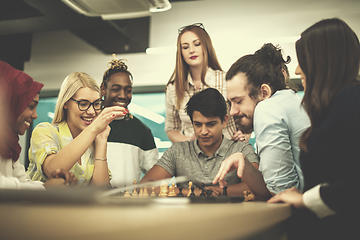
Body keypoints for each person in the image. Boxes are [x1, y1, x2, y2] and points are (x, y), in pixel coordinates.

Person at [267, 18, 360, 239]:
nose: (298, 70)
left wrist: (305, 199)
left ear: (323, 61)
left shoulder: (349, 97)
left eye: (304, 61)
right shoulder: (337, 103)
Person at [212, 43, 310, 199]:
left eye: (238, 101)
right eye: (230, 103)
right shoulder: (291, 100)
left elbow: (281, 193)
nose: (232, 112)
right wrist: (243, 163)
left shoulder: (267, 108)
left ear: (264, 92)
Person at [141, 88, 259, 196]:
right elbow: (145, 185)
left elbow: (258, 187)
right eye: (197, 124)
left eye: (210, 124)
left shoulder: (242, 150)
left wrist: (216, 191)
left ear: (224, 121)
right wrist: (196, 193)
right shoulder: (177, 151)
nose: (203, 132)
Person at [27, 72, 126, 187]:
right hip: (41, 205)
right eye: (83, 104)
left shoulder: (94, 141)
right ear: (66, 103)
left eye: (96, 104)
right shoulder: (44, 131)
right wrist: (94, 128)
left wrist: (102, 140)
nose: (92, 112)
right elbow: (53, 170)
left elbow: (100, 190)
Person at [165, 23, 246, 144]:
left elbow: (246, 118)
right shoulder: (173, 88)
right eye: (185, 47)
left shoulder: (227, 80)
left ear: (206, 46)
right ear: (180, 52)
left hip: (228, 153)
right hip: (194, 157)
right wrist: (189, 140)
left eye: (197, 44)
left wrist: (244, 134)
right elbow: (171, 129)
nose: (192, 50)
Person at [0, 61, 76, 189]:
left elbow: (22, 182)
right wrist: (47, 188)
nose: (35, 115)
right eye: (30, 106)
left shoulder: (8, 145)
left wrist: (54, 182)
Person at [100, 56, 159, 188]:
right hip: (92, 204)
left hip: (128, 205)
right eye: (116, 89)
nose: (122, 95)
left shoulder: (142, 131)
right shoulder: (90, 126)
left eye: (128, 90)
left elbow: (154, 174)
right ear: (103, 89)